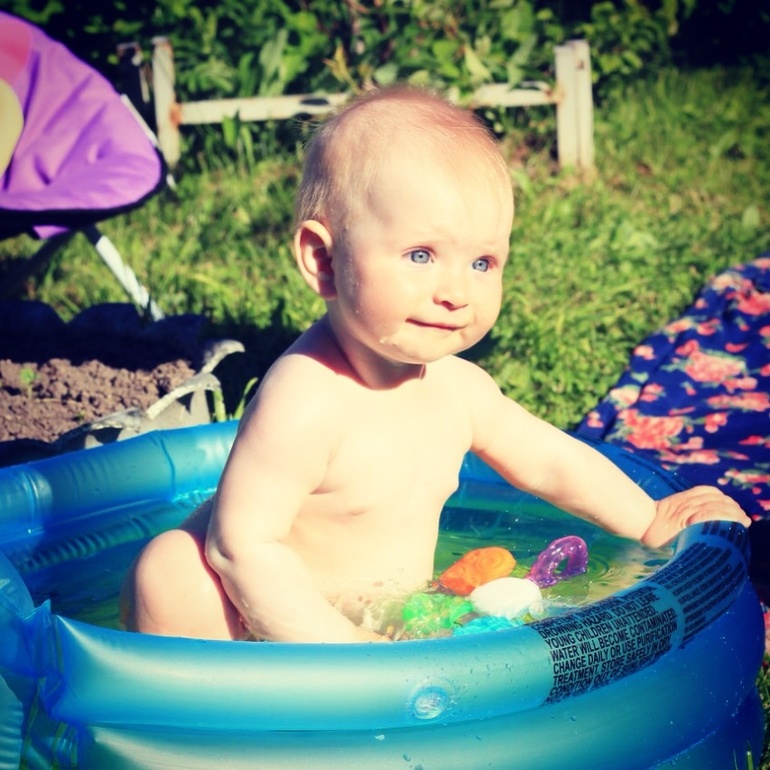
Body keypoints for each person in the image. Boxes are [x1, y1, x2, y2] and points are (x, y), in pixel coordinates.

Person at [120, 85, 750, 643]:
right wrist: (350, 653)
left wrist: (649, 517)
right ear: (323, 261)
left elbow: (551, 460)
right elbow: (240, 547)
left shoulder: (458, 389)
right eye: (421, 255)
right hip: (270, 625)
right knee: (174, 573)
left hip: (382, 615)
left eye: (482, 262)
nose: (456, 291)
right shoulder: (306, 398)